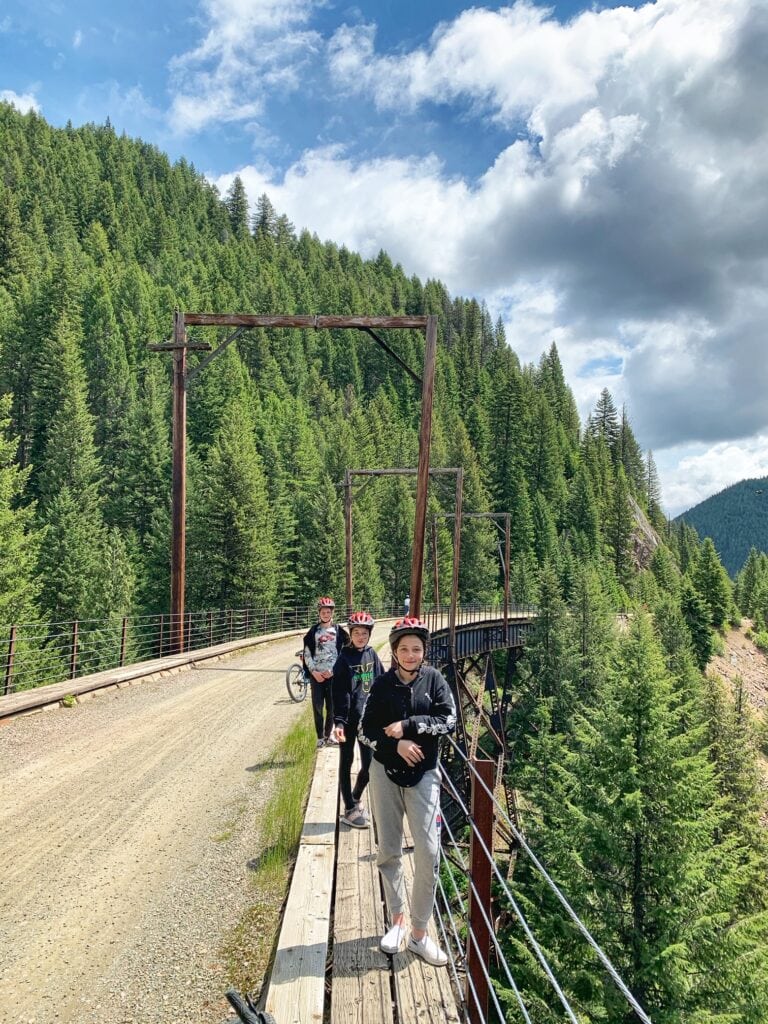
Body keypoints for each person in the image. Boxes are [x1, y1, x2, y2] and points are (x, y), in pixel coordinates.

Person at [360, 616, 456, 967]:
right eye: (405, 649)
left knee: (429, 852)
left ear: (423, 652)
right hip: (385, 772)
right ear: (396, 652)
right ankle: (397, 922)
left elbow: (449, 720)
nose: (411, 654)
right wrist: (394, 745)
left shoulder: (435, 680)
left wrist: (411, 726)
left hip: (425, 775)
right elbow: (365, 730)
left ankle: (419, 933)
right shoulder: (382, 685)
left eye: (417, 649)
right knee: (389, 850)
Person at [331, 611, 384, 828]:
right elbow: (339, 693)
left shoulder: (371, 654)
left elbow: (381, 680)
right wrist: (339, 722)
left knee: (370, 765)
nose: (361, 636)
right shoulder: (343, 659)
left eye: (364, 633)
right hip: (350, 720)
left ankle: (355, 795)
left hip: (368, 720)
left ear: (369, 634)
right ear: (350, 634)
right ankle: (349, 809)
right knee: (346, 762)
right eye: (356, 633)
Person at [302, 597, 349, 749]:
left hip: (333, 676)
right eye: (323, 612)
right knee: (317, 706)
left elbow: (344, 653)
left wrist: (334, 670)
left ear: (332, 613)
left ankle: (328, 736)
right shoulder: (313, 631)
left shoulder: (339, 631)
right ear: (319, 613)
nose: (326, 614)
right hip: (317, 676)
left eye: (328, 611)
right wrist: (313, 672)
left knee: (332, 707)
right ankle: (320, 737)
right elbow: (307, 653)